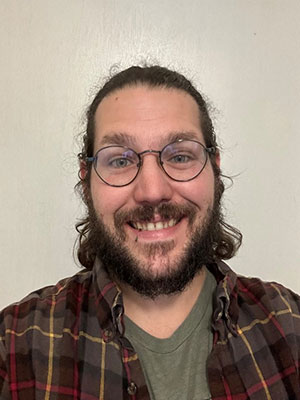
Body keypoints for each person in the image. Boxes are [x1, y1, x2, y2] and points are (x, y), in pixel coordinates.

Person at [0, 65, 299, 400]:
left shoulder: (290, 327)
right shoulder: (16, 343)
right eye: (119, 161)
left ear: (215, 168)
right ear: (86, 180)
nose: (152, 190)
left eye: (181, 155)